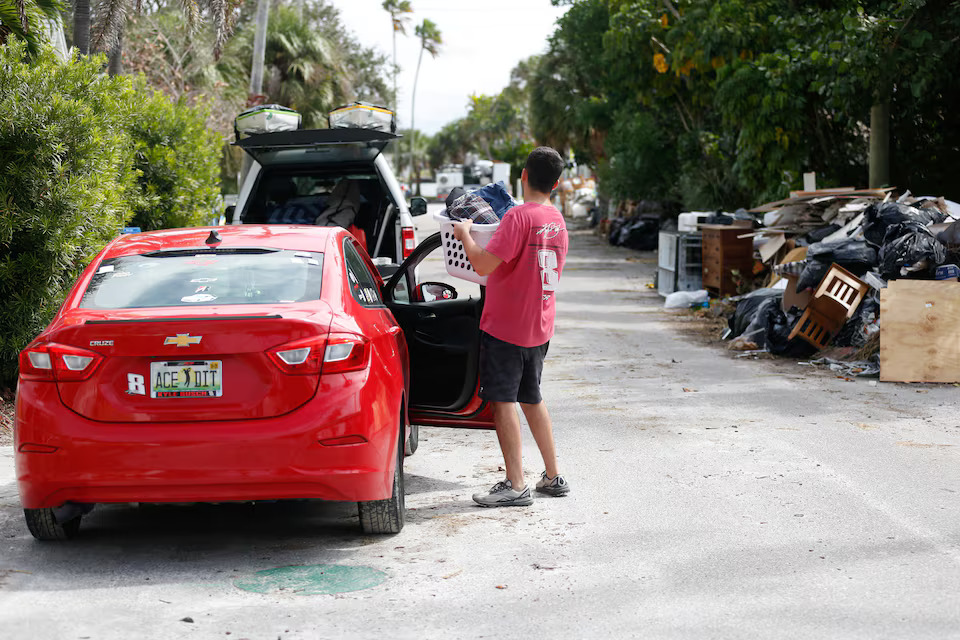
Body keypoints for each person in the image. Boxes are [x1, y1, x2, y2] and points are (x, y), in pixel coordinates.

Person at [452, 147, 570, 507]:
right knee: (531, 398)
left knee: (502, 402)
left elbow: (484, 265)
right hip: (539, 326)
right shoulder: (557, 220)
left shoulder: (519, 217)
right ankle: (552, 476)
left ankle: (515, 484)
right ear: (558, 183)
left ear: (523, 176)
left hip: (506, 328)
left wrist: (465, 234)